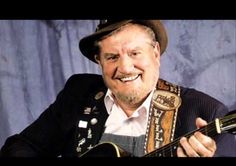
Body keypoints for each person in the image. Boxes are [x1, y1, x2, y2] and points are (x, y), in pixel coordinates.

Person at [0, 20, 235, 157]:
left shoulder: (205, 112)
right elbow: (21, 147)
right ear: (98, 61)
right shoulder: (80, 93)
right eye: (112, 57)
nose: (124, 68)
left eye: (134, 53)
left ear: (155, 53)